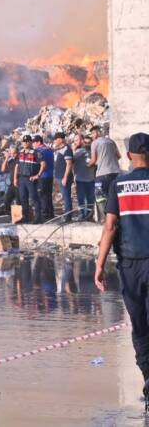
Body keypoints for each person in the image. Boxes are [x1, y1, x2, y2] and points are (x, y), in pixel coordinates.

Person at [95, 132, 149, 404]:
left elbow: (109, 227)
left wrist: (100, 264)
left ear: (128, 156)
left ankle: (147, 376)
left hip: (130, 265)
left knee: (140, 326)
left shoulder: (119, 184)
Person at [91, 125, 122, 209]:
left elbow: (93, 161)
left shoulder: (95, 143)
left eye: (93, 133)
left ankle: (105, 218)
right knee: (113, 196)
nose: (92, 136)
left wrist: (88, 165)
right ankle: (116, 218)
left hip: (102, 174)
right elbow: (119, 156)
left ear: (97, 133)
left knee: (100, 197)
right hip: (115, 173)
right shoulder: (111, 141)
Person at [15, 135, 40, 222]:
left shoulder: (35, 152)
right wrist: (15, 178)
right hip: (22, 178)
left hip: (31, 178)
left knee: (34, 197)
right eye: (24, 141)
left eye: (27, 141)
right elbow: (17, 166)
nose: (25, 143)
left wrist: (38, 175)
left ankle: (38, 218)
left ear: (31, 142)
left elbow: (43, 164)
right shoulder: (20, 152)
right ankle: (25, 218)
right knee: (23, 198)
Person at [73, 133, 96, 221]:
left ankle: (89, 216)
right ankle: (83, 215)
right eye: (85, 142)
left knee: (90, 199)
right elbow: (71, 160)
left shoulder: (92, 151)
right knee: (81, 199)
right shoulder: (79, 151)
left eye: (89, 142)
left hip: (90, 179)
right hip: (80, 179)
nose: (87, 144)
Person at [52, 132, 74, 222]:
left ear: (61, 139)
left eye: (56, 139)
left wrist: (65, 177)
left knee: (66, 196)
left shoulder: (67, 150)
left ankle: (68, 217)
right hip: (59, 176)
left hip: (64, 177)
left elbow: (69, 165)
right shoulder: (60, 149)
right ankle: (66, 215)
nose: (55, 141)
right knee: (64, 196)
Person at [33, 135, 55, 222]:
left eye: (34, 142)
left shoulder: (39, 151)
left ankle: (45, 214)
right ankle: (51, 213)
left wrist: (38, 175)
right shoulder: (49, 149)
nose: (33, 144)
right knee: (48, 195)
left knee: (42, 196)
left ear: (39, 142)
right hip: (50, 175)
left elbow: (43, 164)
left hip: (43, 176)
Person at [0, 146, 19, 214]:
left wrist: (15, 179)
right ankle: (8, 214)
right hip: (12, 184)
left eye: (15, 153)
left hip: (19, 183)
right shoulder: (11, 161)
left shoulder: (19, 160)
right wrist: (6, 158)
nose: (13, 155)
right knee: (7, 200)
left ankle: (20, 216)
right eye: (12, 153)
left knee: (18, 201)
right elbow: (3, 169)